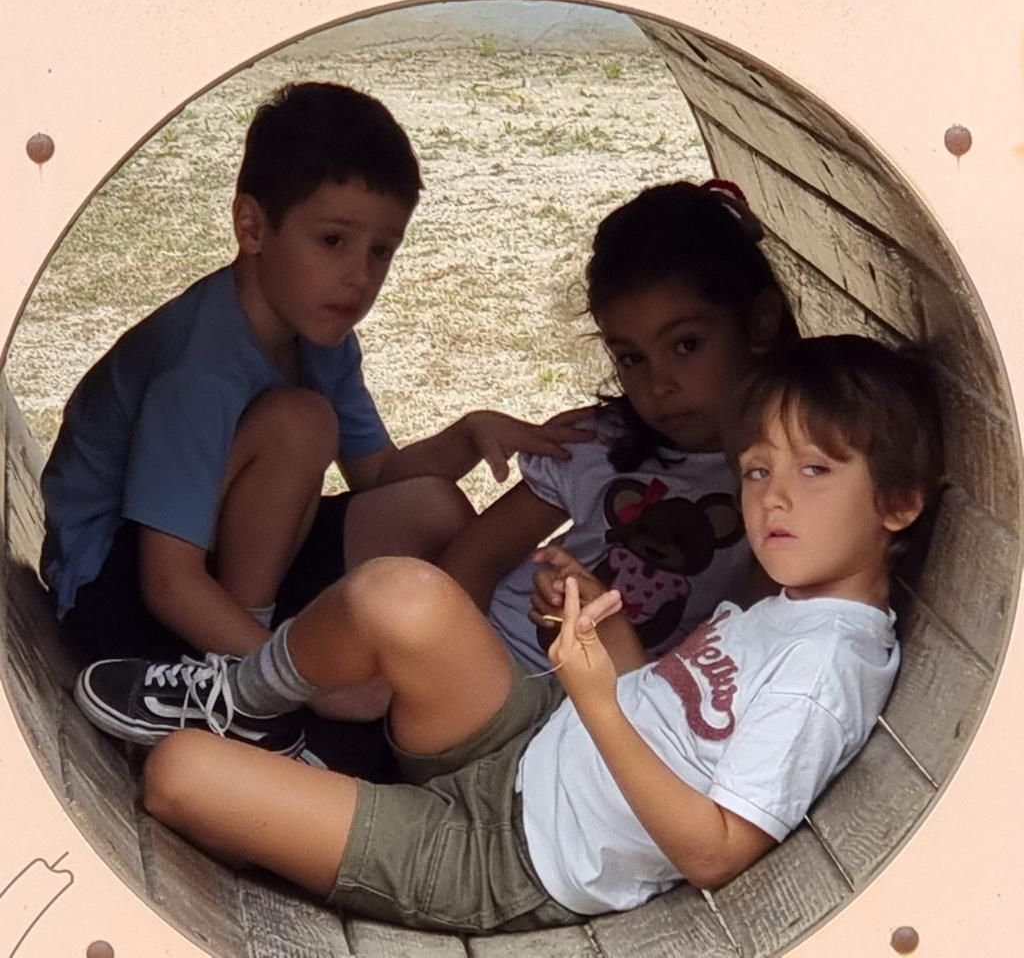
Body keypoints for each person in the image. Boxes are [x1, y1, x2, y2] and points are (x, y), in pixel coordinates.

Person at [73, 333, 944, 931]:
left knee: (178, 774)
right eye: (757, 469)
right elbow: (662, 709)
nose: (773, 497)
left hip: (505, 859)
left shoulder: (826, 669)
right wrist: (600, 622)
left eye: (815, 470)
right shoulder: (792, 609)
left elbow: (715, 852)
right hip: (528, 734)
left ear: (899, 503)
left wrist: (596, 699)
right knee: (402, 594)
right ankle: (246, 698)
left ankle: (285, 764)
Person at [40, 81, 589, 679]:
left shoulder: (321, 340)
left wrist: (467, 435)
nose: (358, 277)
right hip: (115, 597)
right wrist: (294, 685)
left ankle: (433, 671)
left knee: (433, 509)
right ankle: (240, 688)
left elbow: (378, 478)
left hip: (220, 562)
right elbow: (167, 581)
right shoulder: (199, 366)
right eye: (333, 241)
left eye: (381, 251)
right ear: (251, 227)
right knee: (301, 423)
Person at [442, 179, 798, 672]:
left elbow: (748, 631)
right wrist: (448, 665)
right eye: (631, 357)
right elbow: (472, 561)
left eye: (686, 345)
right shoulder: (598, 445)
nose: (659, 384)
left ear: (759, 323)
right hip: (496, 661)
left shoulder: (790, 480)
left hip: (619, 710)